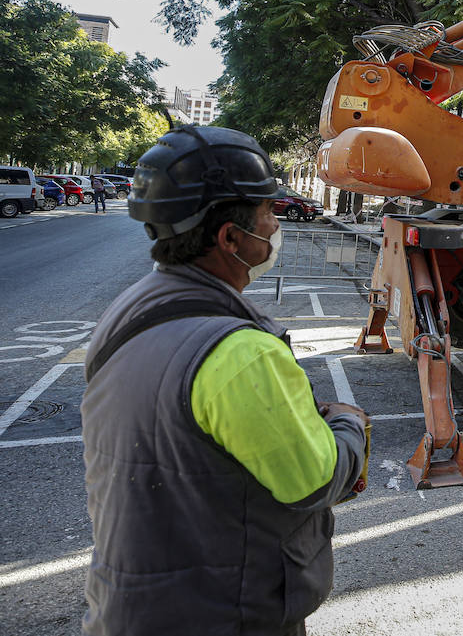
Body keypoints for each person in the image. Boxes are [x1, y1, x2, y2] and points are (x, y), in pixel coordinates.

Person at [82, 125, 368, 636]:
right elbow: (314, 480)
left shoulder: (126, 312)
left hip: (132, 608)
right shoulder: (241, 354)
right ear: (230, 238)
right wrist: (348, 428)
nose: (275, 221)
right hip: (222, 616)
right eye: (266, 211)